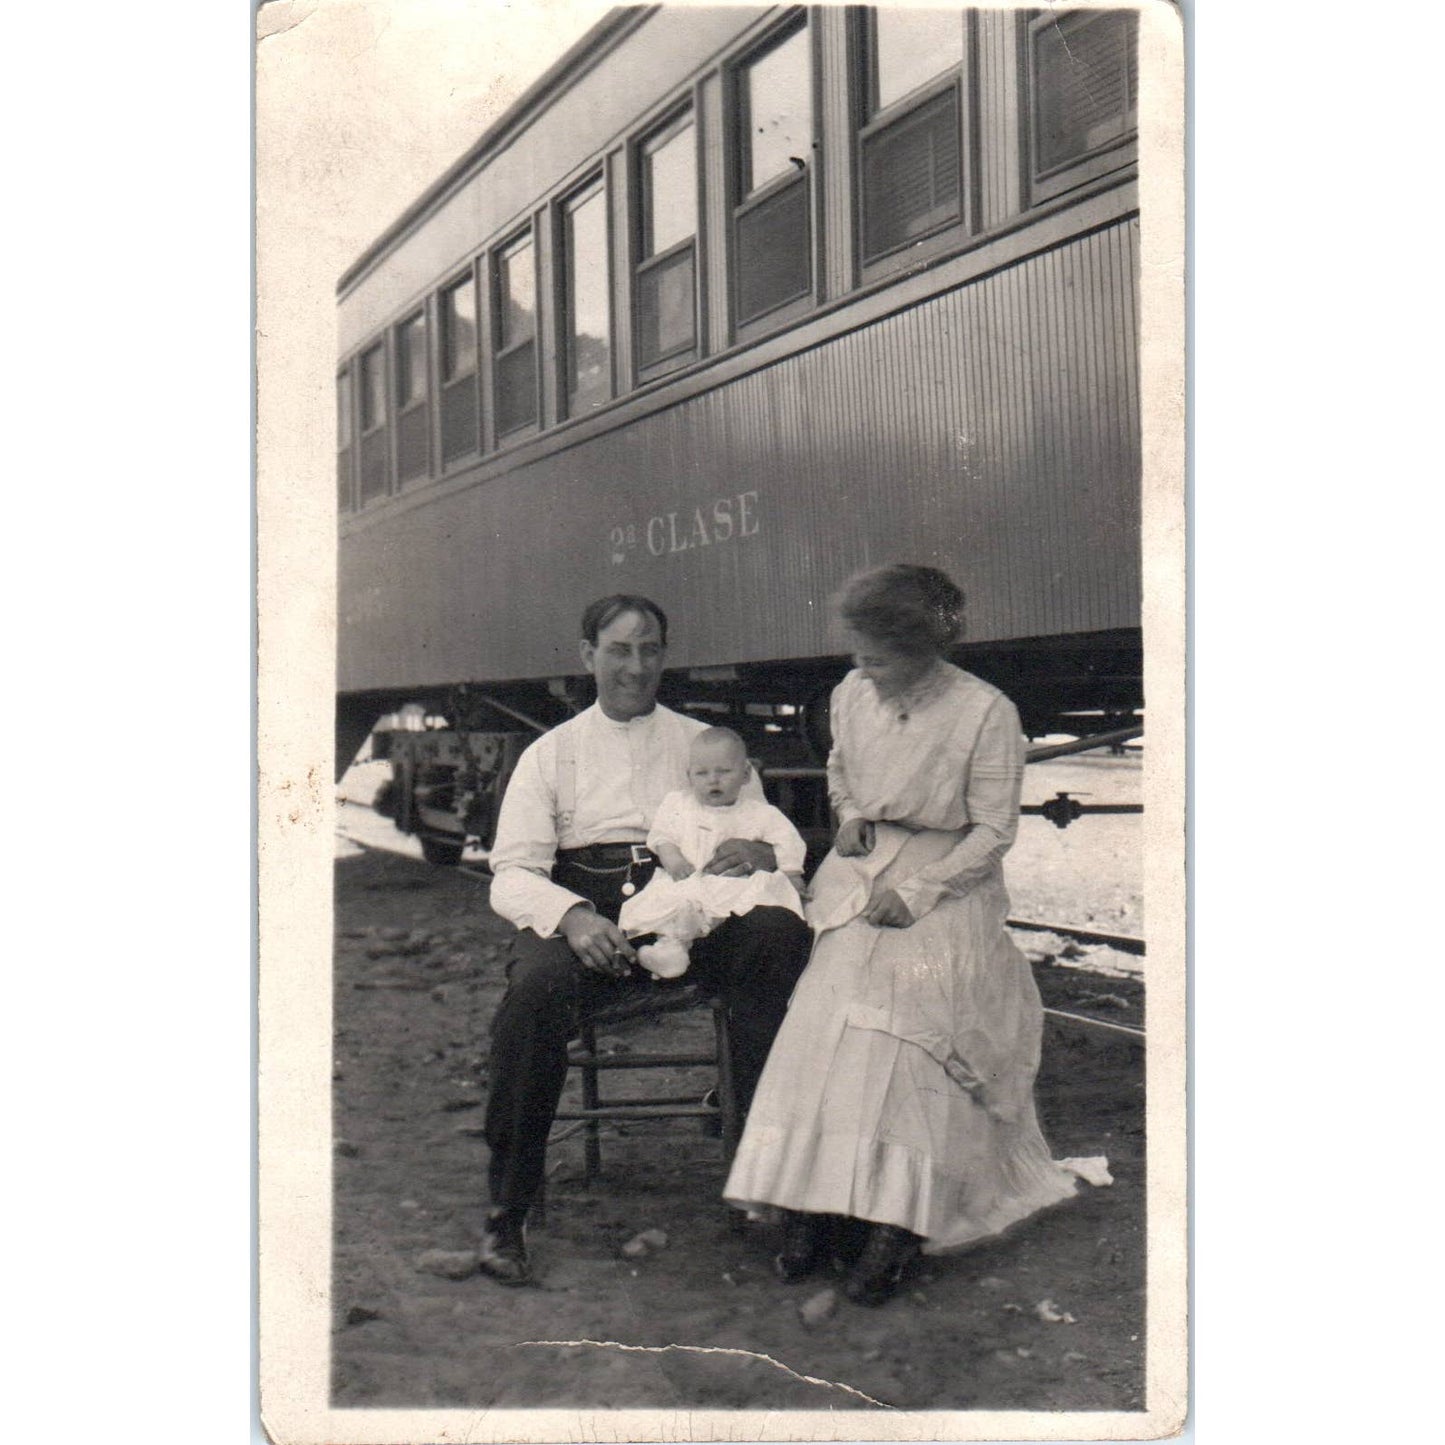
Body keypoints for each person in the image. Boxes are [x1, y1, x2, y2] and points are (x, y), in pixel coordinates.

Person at [724, 564, 1093, 1306]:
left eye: (880, 658)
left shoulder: (985, 712)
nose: (864, 669)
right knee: (825, 1013)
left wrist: (919, 893)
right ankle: (812, 1204)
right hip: (859, 875)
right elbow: (840, 770)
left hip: (948, 883)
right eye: (858, 654)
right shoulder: (849, 693)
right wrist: (851, 813)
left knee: (903, 1021)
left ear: (924, 649)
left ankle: (896, 1221)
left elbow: (993, 831)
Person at [479, 595, 812, 1285]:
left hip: (698, 907)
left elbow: (765, 829)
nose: (636, 666)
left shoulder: (705, 745)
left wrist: (759, 851)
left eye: (650, 649)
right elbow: (511, 873)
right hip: (592, 914)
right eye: (619, 650)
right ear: (587, 656)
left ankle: (769, 1182)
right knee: (533, 990)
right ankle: (506, 1211)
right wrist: (573, 917)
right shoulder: (551, 754)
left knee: (777, 934)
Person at [619, 726, 807, 979]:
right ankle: (671, 951)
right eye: (702, 773)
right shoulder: (678, 804)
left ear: (746, 774)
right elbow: (662, 835)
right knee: (676, 908)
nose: (713, 780)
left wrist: (792, 873)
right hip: (688, 879)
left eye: (724, 771)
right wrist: (673, 858)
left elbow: (787, 840)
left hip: (733, 885)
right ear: (689, 776)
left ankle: (691, 955)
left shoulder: (760, 813)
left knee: (750, 911)